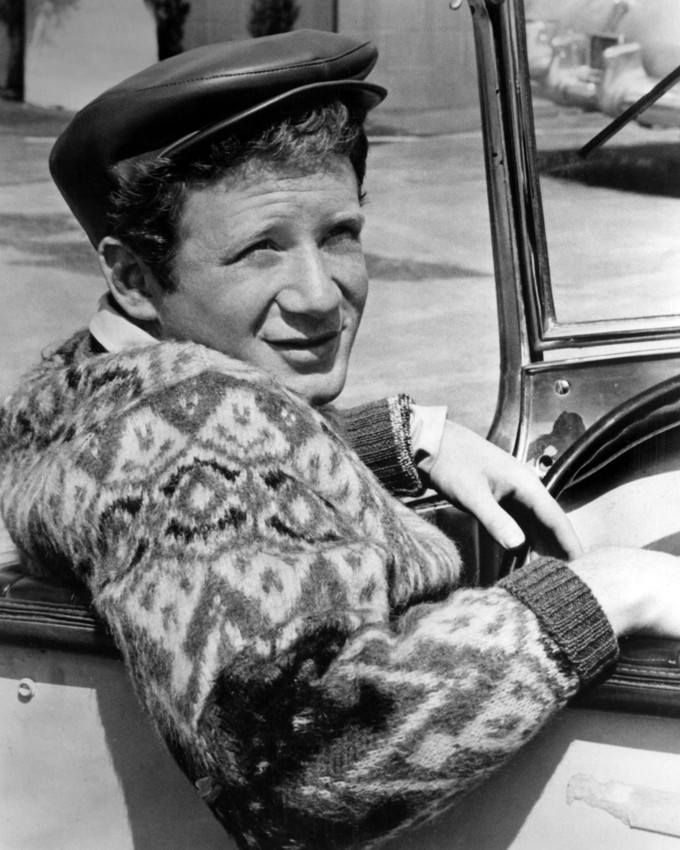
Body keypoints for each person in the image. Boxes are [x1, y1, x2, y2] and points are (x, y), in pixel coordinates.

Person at [0, 28, 679, 850]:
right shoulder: (195, 422)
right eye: (260, 250)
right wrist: (610, 590)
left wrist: (405, 437)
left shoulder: (85, 392)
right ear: (135, 277)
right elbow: (300, 767)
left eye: (339, 234)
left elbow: (172, 484)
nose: (321, 295)